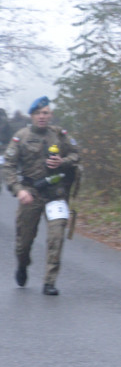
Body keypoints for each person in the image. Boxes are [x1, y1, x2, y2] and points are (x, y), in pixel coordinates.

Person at [2, 97, 81, 295]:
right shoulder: (21, 136)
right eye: (38, 113)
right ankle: (22, 265)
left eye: (45, 113)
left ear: (50, 115)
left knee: (56, 237)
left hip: (56, 194)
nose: (42, 117)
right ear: (32, 116)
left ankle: (49, 282)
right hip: (31, 193)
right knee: (24, 243)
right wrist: (18, 190)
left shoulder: (59, 135)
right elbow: (8, 166)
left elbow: (76, 155)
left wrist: (62, 162)